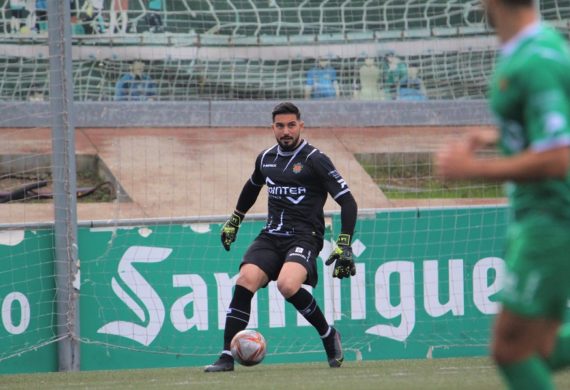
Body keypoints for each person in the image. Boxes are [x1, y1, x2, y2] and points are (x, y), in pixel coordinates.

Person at [435, 0, 570, 388]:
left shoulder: (534, 61)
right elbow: (549, 131)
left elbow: (558, 157)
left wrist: (471, 170)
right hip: (539, 218)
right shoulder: (537, 47)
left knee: (512, 350)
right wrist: (496, 135)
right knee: (537, 349)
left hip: (550, 219)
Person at [204, 102, 358, 372]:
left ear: (301, 125)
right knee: (245, 280)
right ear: (272, 127)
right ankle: (227, 356)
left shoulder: (315, 159)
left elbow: (348, 202)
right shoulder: (266, 158)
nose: (286, 131)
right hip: (271, 236)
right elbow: (252, 187)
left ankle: (328, 334)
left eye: (291, 125)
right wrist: (235, 220)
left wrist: (344, 242)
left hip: (304, 237)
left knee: (287, 285)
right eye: (280, 126)